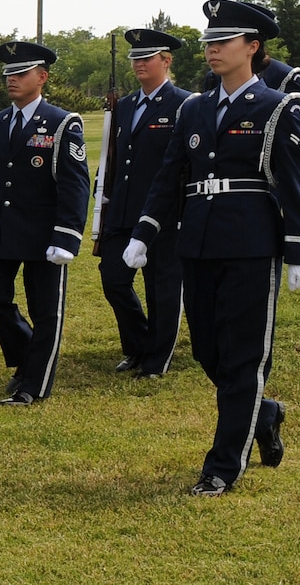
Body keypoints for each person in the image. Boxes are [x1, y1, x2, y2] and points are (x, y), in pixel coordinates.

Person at [126, 0, 300, 497]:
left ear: (252, 47)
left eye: (223, 42)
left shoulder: (277, 106)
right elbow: (171, 177)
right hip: (199, 242)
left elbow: (293, 182)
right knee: (210, 351)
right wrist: (144, 232)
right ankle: (264, 411)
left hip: (251, 243)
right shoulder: (194, 107)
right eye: (209, 42)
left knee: (245, 356)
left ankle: (223, 466)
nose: (212, 50)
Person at [0, 40, 89, 406]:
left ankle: (34, 384)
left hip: (45, 233)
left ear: (42, 77)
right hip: (3, 229)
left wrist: (67, 236)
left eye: (21, 73)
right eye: (8, 74)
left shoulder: (62, 122)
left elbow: (74, 184)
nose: (12, 80)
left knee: (45, 310)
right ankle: (30, 353)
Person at [95, 28, 188, 379]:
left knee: (162, 286)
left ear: (166, 61)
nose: (139, 64)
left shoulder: (184, 103)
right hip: (123, 208)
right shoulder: (127, 105)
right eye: (135, 58)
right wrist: (101, 190)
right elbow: (113, 155)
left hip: (164, 212)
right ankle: (138, 344)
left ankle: (157, 358)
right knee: (114, 279)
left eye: (146, 58)